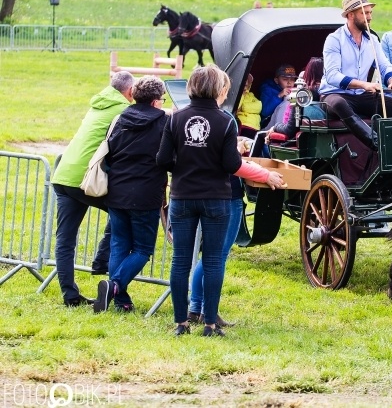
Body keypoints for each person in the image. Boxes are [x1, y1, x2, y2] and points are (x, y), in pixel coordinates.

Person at [157, 65, 285, 337]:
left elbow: (163, 160)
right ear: (220, 89)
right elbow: (231, 163)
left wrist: (185, 163)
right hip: (216, 197)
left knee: (180, 261)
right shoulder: (226, 120)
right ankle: (210, 324)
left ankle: (181, 323)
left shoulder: (175, 119)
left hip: (182, 195)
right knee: (214, 260)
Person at [51, 71, 134, 307]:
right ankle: (102, 260)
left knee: (65, 239)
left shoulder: (98, 103)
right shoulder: (122, 109)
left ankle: (70, 294)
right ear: (129, 92)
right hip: (85, 179)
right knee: (123, 212)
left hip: (63, 174)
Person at [94, 76, 169, 314]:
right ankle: (115, 286)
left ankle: (120, 300)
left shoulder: (120, 118)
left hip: (117, 190)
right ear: (157, 101)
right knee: (143, 249)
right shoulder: (165, 122)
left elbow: (110, 150)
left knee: (119, 244)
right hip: (146, 194)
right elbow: (168, 157)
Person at [318, 0, 392, 149]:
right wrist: (364, 85)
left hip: (361, 96)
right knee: (340, 103)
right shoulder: (334, 39)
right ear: (350, 15)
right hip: (333, 95)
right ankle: (375, 142)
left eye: (370, 12)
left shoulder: (373, 40)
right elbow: (332, 76)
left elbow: (385, 65)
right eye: (364, 13)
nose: (369, 17)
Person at [266, 57, 325, 140]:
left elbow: (289, 130)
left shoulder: (298, 94)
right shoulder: (335, 94)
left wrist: (275, 127)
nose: (289, 82)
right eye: (285, 79)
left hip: (303, 143)